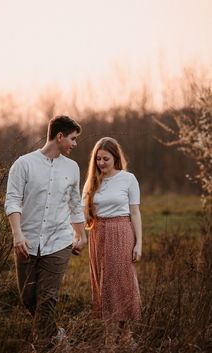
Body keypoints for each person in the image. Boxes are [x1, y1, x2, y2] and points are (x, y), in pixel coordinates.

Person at [5, 115, 87, 352]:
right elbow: (12, 201)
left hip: (59, 242)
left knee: (47, 299)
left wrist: (80, 235)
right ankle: (56, 335)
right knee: (28, 298)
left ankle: (41, 346)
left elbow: (74, 203)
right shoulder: (24, 164)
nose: (75, 144)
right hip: (27, 242)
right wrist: (17, 235)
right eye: (72, 139)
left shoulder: (72, 168)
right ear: (59, 136)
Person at [82, 137, 142, 352]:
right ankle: (110, 337)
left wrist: (139, 243)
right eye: (97, 159)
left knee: (122, 284)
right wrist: (76, 235)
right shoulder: (92, 181)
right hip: (99, 234)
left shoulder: (128, 179)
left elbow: (135, 212)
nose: (101, 163)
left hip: (122, 231)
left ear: (115, 158)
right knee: (103, 285)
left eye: (105, 158)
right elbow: (82, 213)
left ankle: (125, 336)